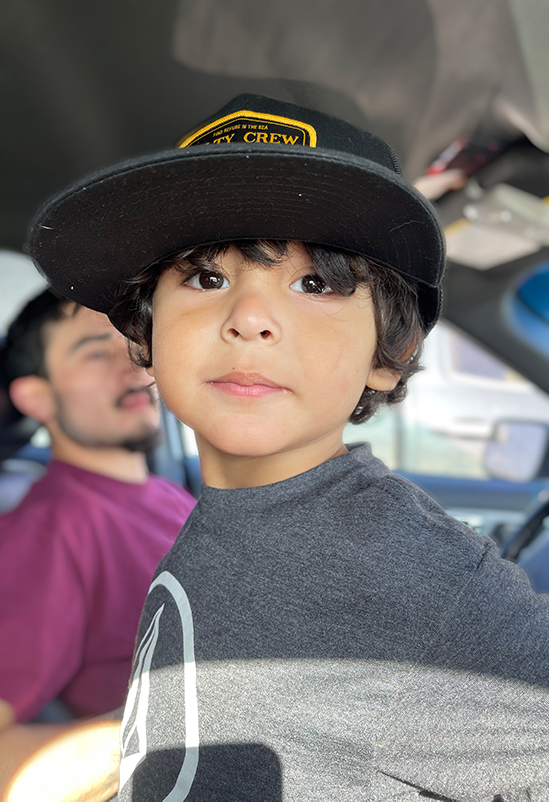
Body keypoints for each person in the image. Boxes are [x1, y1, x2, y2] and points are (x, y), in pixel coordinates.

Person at [29, 95, 549, 801]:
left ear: (388, 355)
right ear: (148, 337)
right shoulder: (236, 519)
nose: (249, 318)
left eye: (317, 282)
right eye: (206, 278)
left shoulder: (415, 579)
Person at [0, 290, 196, 802]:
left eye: (135, 345)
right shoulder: (31, 542)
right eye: (95, 352)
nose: (136, 368)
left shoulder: (168, 495)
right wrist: (202, 720)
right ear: (36, 399)